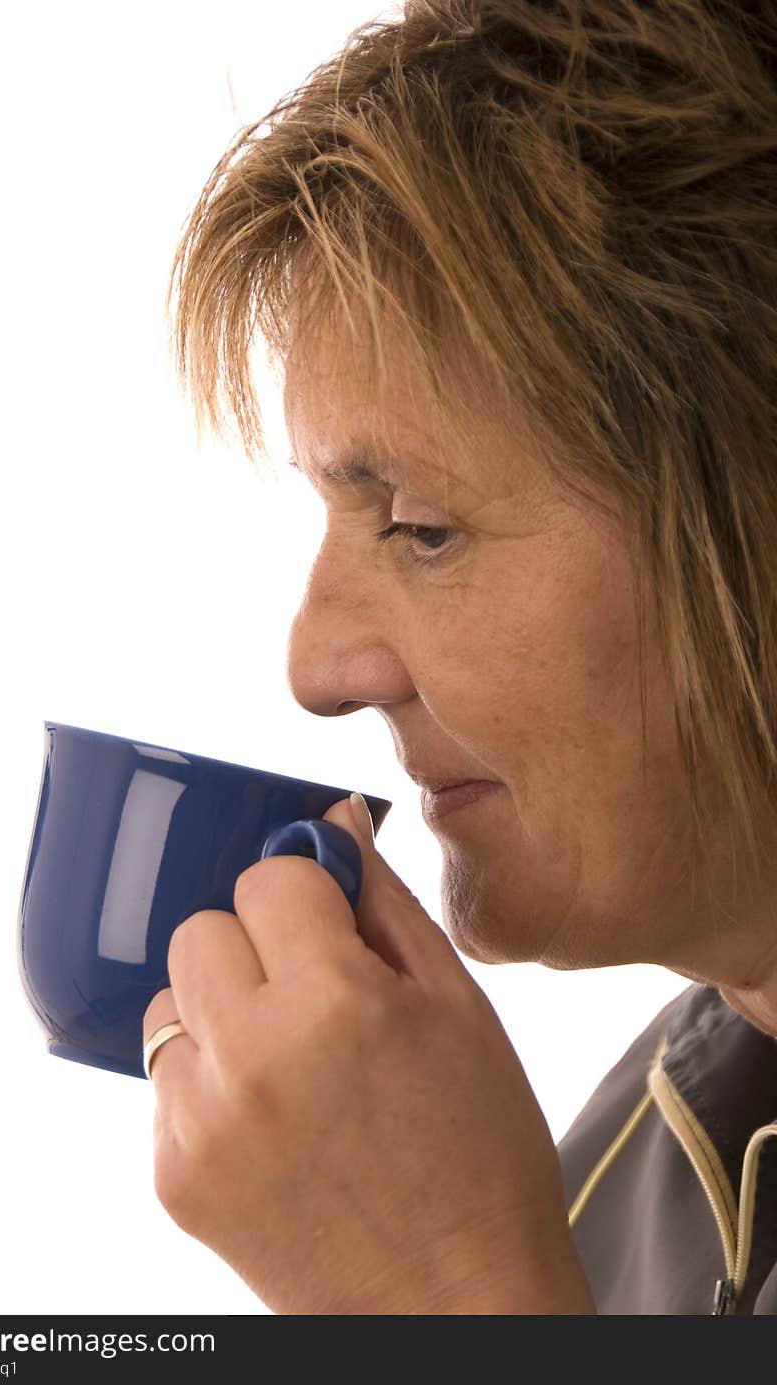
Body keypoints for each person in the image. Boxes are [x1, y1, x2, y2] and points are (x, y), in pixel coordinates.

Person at [141, 0, 777, 1313]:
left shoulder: (512, 1247)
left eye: (422, 528)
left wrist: (444, 1291)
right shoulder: (615, 1185)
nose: (315, 666)